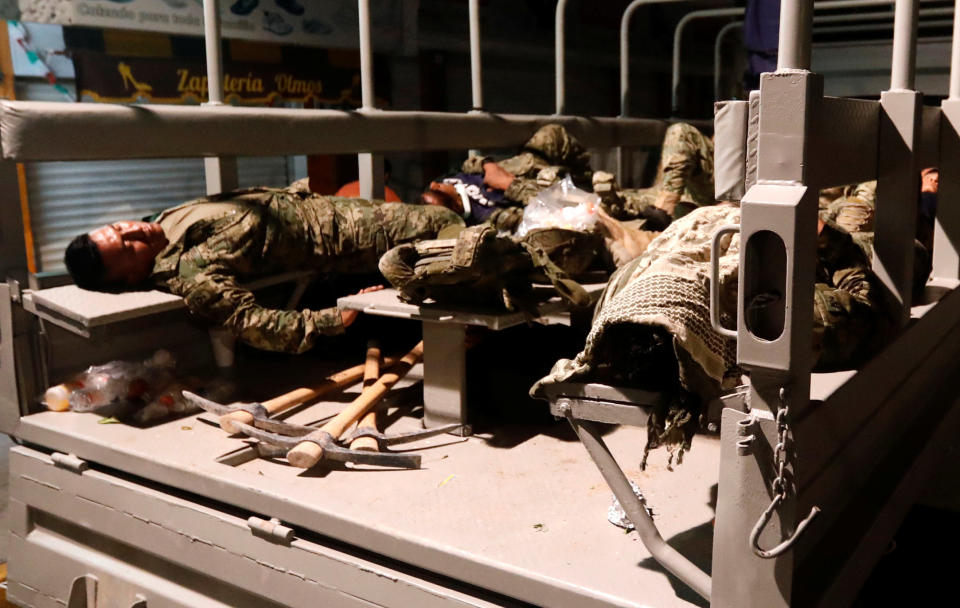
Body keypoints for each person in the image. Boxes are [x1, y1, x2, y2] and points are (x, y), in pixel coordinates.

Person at [536, 202, 894, 468]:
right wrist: (826, 236)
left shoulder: (629, 287)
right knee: (859, 207)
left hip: (765, 231)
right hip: (830, 237)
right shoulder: (780, 314)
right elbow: (871, 312)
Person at [64, 183, 463, 354]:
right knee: (457, 235)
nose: (134, 231)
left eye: (119, 228)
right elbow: (253, 323)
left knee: (448, 225)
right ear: (132, 276)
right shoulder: (191, 275)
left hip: (335, 208)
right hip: (356, 235)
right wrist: (335, 319)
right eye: (128, 247)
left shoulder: (163, 224)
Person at [420, 124, 594, 231]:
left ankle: (585, 177)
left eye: (450, 198)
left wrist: (487, 166)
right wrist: (508, 184)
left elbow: (467, 164)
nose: (457, 202)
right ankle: (589, 186)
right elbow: (532, 215)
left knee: (551, 134)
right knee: (578, 199)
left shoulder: (448, 180)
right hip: (538, 187)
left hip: (525, 164)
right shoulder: (483, 217)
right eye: (453, 206)